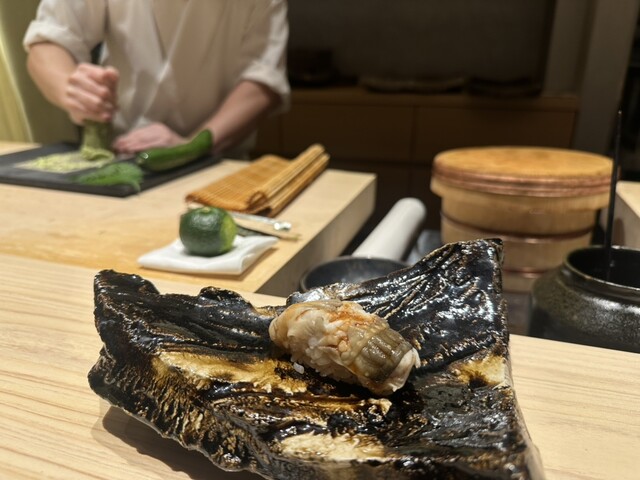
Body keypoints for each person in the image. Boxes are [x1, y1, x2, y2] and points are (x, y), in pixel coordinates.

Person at [23, 0, 290, 158]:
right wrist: (72, 89)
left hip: (217, 162)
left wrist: (191, 147)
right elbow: (49, 40)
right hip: (120, 154)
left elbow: (262, 80)